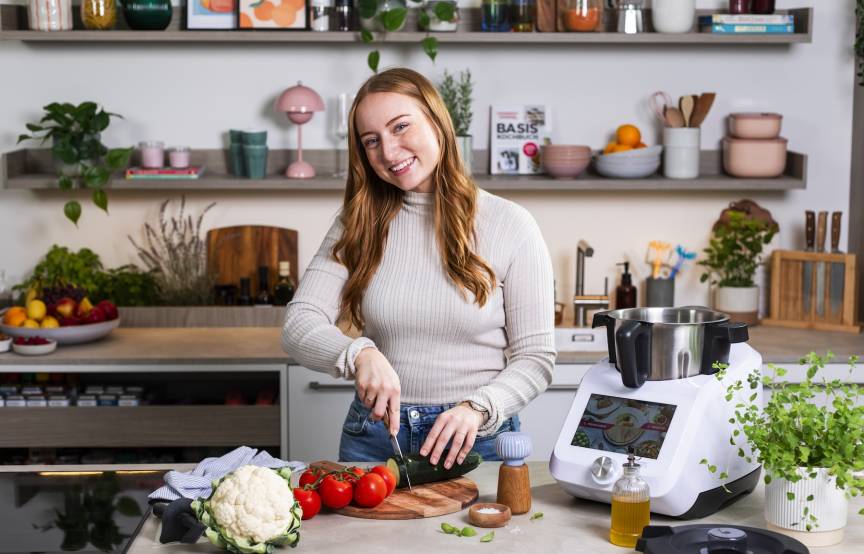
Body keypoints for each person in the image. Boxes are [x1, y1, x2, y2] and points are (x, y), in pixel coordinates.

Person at [282, 67, 555, 469]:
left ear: (437, 122)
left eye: (401, 127)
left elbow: (536, 358)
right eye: (371, 141)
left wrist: (479, 407)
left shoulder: (509, 224)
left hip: (475, 439)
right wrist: (359, 353)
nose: (389, 153)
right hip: (376, 437)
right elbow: (298, 323)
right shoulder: (358, 223)